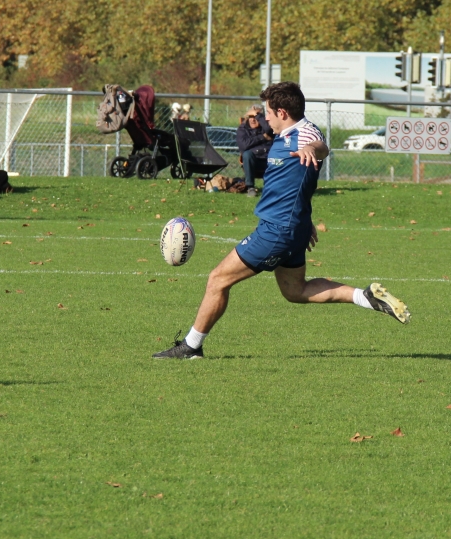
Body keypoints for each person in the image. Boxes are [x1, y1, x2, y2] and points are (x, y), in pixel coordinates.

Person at [154, 81, 411, 359]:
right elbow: (298, 183)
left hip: (276, 230)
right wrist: (303, 221)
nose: (265, 118)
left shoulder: (303, 134)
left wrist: (313, 149)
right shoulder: (289, 132)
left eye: (268, 112)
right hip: (292, 227)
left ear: (283, 113)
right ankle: (365, 296)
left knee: (217, 279)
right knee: (295, 290)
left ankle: (191, 346)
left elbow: (321, 147)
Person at [236, 104, 274, 197]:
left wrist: (258, 116)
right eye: (251, 116)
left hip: (269, 161)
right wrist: (263, 137)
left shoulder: (268, 128)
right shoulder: (243, 129)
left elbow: (269, 130)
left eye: (256, 117)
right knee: (247, 154)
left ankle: (272, 188)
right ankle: (250, 188)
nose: (253, 120)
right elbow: (244, 146)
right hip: (253, 162)